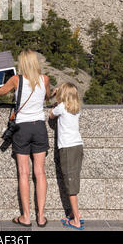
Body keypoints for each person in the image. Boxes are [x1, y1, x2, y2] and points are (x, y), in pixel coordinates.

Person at [0, 49, 51, 227]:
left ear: (22, 63)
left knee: (23, 173)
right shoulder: (45, 79)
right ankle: (41, 216)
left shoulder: (16, 80)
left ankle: (26, 216)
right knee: (40, 173)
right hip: (39, 126)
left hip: (22, 128)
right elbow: (47, 97)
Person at [49, 83, 84, 230]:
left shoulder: (61, 107)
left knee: (70, 186)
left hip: (67, 148)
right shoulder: (76, 109)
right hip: (77, 146)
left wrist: (55, 95)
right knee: (73, 179)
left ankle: (76, 219)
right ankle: (74, 213)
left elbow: (51, 114)